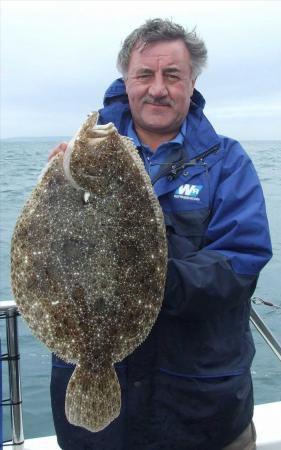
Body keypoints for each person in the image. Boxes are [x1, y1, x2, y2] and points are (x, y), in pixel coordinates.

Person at [50, 18, 272, 450]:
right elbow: (47, 251)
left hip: (200, 408)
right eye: (144, 75)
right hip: (100, 429)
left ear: (192, 84)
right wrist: (59, 182)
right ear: (126, 82)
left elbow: (240, 262)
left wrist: (150, 283)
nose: (157, 88)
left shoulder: (227, 162)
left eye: (172, 75)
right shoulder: (78, 157)